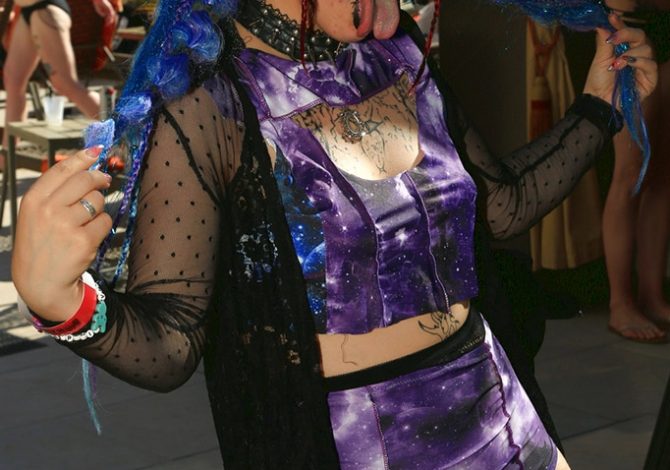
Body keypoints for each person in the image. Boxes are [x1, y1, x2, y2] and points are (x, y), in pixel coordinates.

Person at [11, 0, 657, 467]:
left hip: (499, 412)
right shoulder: (208, 106)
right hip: (362, 444)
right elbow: (172, 341)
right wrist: (62, 304)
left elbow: (499, 208)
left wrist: (599, 103)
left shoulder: (397, 50)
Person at [603, 0, 670, 343]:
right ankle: (621, 303)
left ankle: (652, 295)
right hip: (628, 20)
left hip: (664, 20)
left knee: (663, 175)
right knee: (630, 173)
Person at [0, 0, 119, 169]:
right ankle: (6, 158)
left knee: (65, 83)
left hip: (46, 9)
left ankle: (122, 136)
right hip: (28, 10)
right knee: (13, 81)